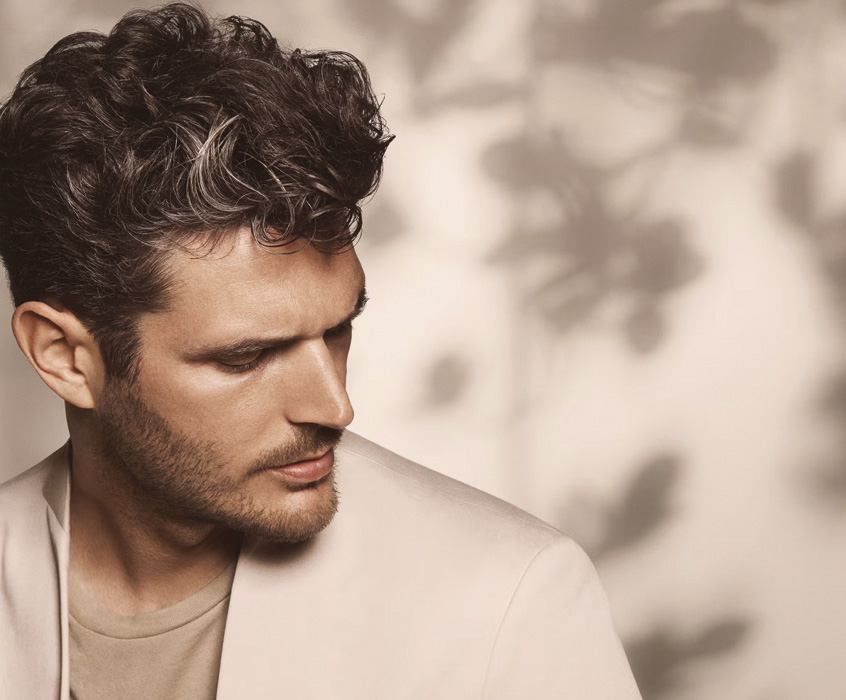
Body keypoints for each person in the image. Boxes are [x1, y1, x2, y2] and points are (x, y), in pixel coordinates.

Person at [0, 4, 642, 699]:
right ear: (64, 355)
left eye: (337, 330)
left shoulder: (510, 601)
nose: (335, 406)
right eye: (246, 357)